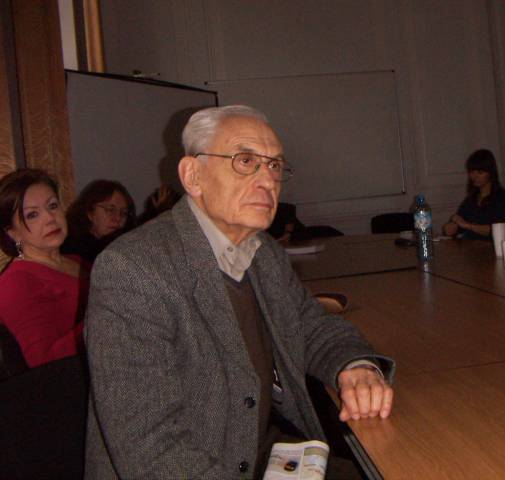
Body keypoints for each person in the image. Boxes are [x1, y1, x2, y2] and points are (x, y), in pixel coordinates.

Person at [84, 105, 395, 479]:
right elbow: (151, 449)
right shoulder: (133, 269)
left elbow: (310, 325)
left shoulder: (263, 253)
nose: (268, 180)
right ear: (193, 175)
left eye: (275, 165)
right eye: (246, 161)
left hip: (265, 454)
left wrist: (355, 367)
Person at [0, 169, 89, 368]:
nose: (50, 217)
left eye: (53, 205)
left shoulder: (78, 261)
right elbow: (44, 362)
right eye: (32, 215)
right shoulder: (14, 282)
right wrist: (108, 316)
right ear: (13, 233)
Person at [442, 149, 505, 239]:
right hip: (472, 245)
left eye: (480, 173)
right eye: (472, 172)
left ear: (490, 173)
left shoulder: (504, 197)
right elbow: (459, 222)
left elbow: (498, 230)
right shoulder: (471, 199)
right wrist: (450, 227)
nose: (475, 176)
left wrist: (468, 226)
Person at [62, 179, 136, 262]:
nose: (118, 218)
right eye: (111, 210)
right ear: (90, 212)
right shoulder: (73, 249)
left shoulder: (128, 247)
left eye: (123, 213)